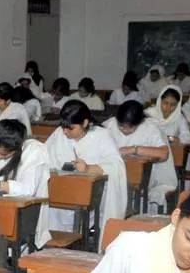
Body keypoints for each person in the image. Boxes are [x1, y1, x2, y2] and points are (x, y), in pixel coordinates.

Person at [45, 100, 128, 234]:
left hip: (90, 198)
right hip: (59, 195)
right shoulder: (59, 134)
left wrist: (88, 168)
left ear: (84, 123)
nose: (65, 132)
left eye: (70, 128)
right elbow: (43, 157)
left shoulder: (101, 135)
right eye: (63, 127)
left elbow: (117, 165)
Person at [0, 119, 51, 248]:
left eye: (3, 154)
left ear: (16, 149)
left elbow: (28, 190)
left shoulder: (34, 151)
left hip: (26, 214)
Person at [104, 101, 175, 211]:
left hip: (144, 177)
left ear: (140, 122)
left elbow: (163, 153)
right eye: (121, 126)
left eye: (130, 127)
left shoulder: (150, 127)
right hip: (113, 176)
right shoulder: (110, 125)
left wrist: (134, 149)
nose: (125, 130)